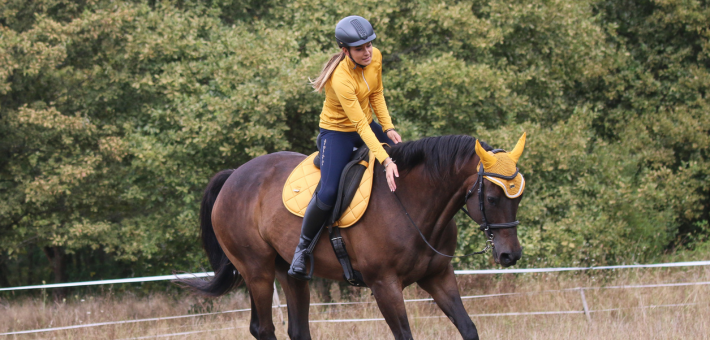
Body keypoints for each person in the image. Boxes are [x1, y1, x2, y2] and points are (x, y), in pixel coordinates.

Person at [288, 16, 402, 280]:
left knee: (402, 155)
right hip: (337, 134)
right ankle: (302, 249)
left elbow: (377, 93)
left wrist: (388, 128)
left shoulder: (376, 58)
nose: (367, 52)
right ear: (345, 50)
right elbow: (360, 126)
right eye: (360, 48)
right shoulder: (340, 77)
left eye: (369, 45)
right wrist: (385, 160)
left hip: (366, 125)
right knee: (327, 192)